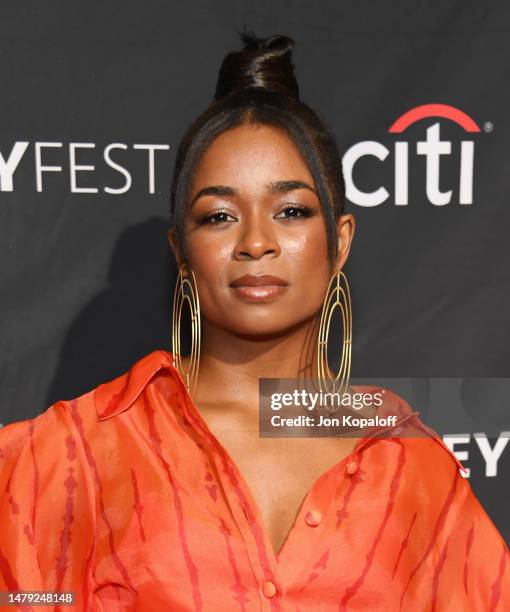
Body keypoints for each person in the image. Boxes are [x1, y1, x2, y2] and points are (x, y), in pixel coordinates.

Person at [1, 30, 509, 612]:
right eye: (218, 216)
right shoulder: (69, 454)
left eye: (291, 210)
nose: (256, 242)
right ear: (182, 250)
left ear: (339, 242)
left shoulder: (408, 462)